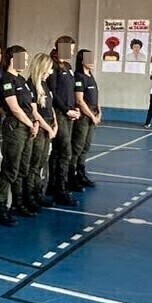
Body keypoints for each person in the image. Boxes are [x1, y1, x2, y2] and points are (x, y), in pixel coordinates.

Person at [0, 45, 39, 226]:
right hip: (15, 127)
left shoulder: (22, 80)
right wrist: (30, 124)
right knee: (10, 168)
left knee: (23, 167)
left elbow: (30, 105)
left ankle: (18, 203)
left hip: (27, 126)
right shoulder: (7, 79)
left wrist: (35, 122)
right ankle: (2, 207)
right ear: (14, 58)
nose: (27, 63)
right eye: (24, 59)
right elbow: (14, 107)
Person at [46, 36, 80, 205]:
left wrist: (74, 108)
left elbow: (70, 90)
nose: (72, 52)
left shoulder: (68, 66)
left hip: (69, 114)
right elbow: (53, 94)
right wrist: (66, 110)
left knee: (59, 152)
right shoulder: (52, 67)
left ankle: (54, 184)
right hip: (59, 114)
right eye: (70, 49)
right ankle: (61, 189)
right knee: (65, 151)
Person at [26, 53, 58, 211]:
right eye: (49, 69)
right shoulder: (31, 85)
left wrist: (55, 124)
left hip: (48, 127)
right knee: (35, 163)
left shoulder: (45, 85)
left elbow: (50, 107)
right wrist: (47, 127)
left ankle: (38, 192)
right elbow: (34, 112)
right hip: (40, 128)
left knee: (41, 163)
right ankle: (30, 195)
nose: (50, 72)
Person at [70, 49, 102, 190]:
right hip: (84, 116)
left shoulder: (91, 76)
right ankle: (72, 176)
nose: (92, 61)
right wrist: (91, 116)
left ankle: (81, 172)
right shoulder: (79, 77)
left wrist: (99, 111)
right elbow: (80, 100)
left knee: (86, 146)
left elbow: (94, 96)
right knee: (77, 146)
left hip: (92, 114)